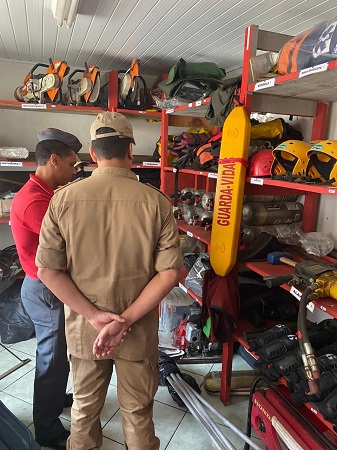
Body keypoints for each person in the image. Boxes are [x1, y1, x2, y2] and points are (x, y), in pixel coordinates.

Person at [35, 111, 183, 450]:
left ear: (92, 151)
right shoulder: (156, 202)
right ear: (130, 150)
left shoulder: (63, 199)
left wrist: (93, 316)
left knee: (84, 411)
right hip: (137, 328)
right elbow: (170, 273)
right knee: (138, 412)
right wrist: (125, 320)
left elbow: (47, 270)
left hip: (86, 330)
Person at [9, 128, 81, 450]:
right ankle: (48, 430)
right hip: (44, 290)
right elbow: (69, 242)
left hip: (44, 286)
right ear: (53, 160)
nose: (72, 171)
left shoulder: (44, 192)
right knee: (52, 360)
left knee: (55, 358)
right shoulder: (34, 201)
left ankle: (51, 401)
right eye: (69, 165)